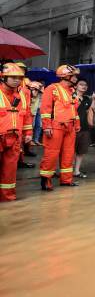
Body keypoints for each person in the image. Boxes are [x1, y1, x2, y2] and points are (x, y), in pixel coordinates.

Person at [39, 65, 81, 190]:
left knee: (68, 154)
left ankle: (66, 180)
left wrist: (77, 124)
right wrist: (46, 126)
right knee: (51, 153)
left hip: (70, 127)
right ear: (66, 76)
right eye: (74, 75)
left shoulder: (72, 91)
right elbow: (45, 109)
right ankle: (46, 180)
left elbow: (74, 110)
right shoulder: (52, 89)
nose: (76, 78)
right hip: (56, 126)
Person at [0, 63, 33, 202]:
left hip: (14, 138)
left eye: (19, 77)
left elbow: (26, 115)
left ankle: (7, 197)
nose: (17, 80)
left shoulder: (22, 96)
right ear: (3, 78)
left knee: (10, 171)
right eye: (13, 77)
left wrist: (28, 133)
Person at [74, 79, 95, 179]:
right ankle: (66, 171)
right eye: (81, 84)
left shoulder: (87, 99)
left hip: (85, 128)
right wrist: (76, 100)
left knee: (81, 151)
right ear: (76, 86)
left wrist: (94, 99)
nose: (84, 86)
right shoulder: (70, 96)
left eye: (85, 85)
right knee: (69, 151)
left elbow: (90, 111)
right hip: (73, 128)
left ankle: (76, 171)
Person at [28, 80, 44, 146]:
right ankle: (30, 140)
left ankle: (36, 140)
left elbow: (42, 99)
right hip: (32, 110)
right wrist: (36, 90)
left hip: (39, 110)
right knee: (32, 125)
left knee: (39, 125)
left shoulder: (42, 91)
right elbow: (33, 98)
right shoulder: (31, 90)